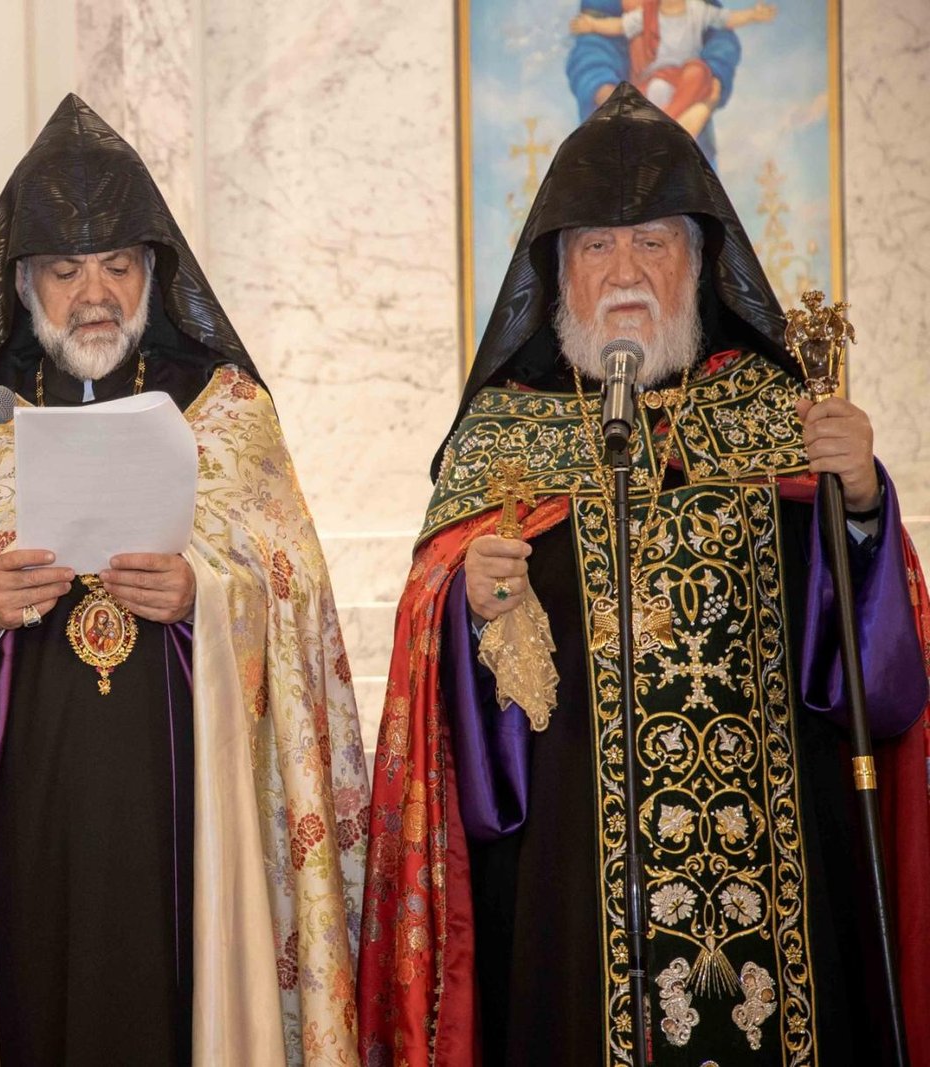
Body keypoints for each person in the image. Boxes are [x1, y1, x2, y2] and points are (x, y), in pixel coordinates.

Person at [357, 83, 930, 1066]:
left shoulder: (777, 412)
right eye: (595, 246)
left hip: (780, 869)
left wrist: (863, 503)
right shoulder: (501, 436)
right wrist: (469, 607)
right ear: (557, 273)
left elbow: (869, 675)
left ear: (698, 264)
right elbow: (441, 704)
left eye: (652, 242)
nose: (624, 270)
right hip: (574, 879)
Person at [0, 94, 368, 1065]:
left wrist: (207, 595)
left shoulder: (229, 413)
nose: (94, 293)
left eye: (118, 266)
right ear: (22, 284)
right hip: (20, 802)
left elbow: (292, 588)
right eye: (65, 270)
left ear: (152, 274)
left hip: (180, 803)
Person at [569, 0, 776, 130]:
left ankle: (667, 128)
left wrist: (706, 101)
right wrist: (619, 107)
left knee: (697, 73)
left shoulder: (699, 10)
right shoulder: (646, 15)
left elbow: (723, 29)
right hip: (640, 98)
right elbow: (607, 35)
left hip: (688, 98)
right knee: (657, 89)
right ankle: (659, 129)